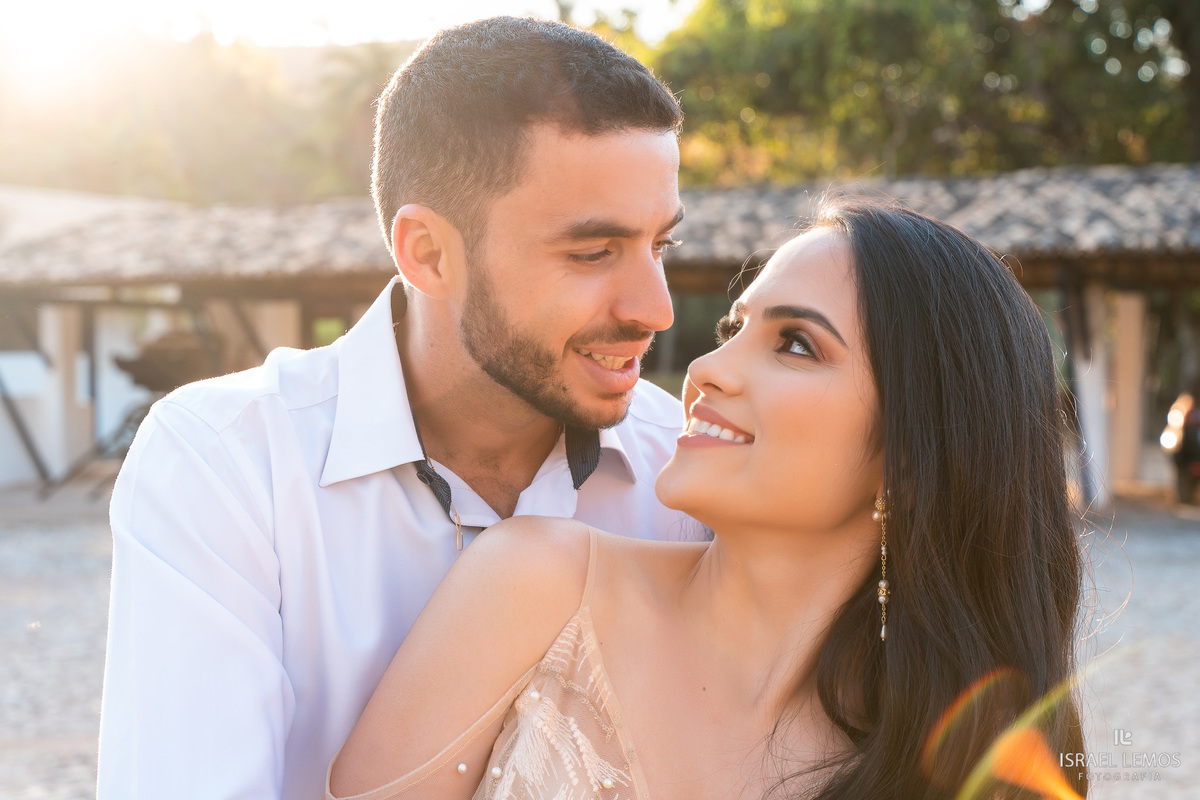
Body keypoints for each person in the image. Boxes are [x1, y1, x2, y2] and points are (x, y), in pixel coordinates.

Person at [98, 17, 697, 800]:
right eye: (593, 253)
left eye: (662, 247)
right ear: (428, 253)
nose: (656, 310)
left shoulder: (686, 472)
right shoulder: (227, 463)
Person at [327, 198, 1089, 800]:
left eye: (795, 343)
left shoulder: (967, 762)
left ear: (916, 456)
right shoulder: (538, 585)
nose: (705, 368)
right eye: (734, 327)